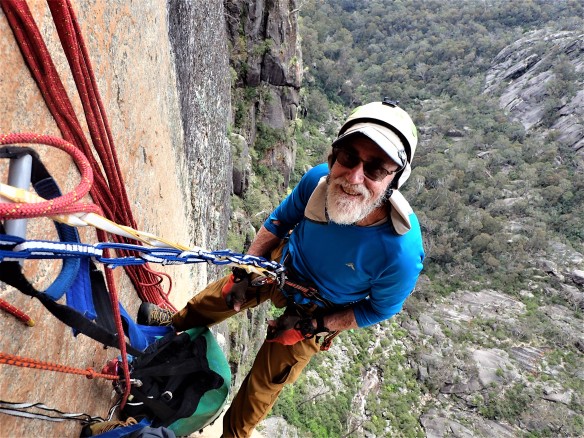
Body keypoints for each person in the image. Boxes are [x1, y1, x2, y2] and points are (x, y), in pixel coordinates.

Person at [139, 98, 425, 438]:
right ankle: (174, 326)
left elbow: (378, 309)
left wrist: (313, 326)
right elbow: (278, 222)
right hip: (283, 266)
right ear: (334, 156)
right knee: (220, 296)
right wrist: (245, 272)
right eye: (348, 157)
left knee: (264, 385)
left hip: (319, 310)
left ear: (394, 179)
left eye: (376, 169)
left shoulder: (401, 253)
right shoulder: (318, 183)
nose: (354, 177)